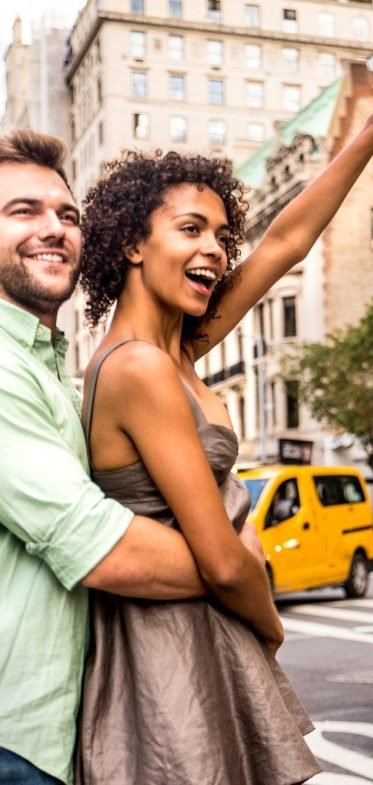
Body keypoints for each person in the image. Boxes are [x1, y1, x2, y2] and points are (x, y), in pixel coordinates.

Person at [73, 27, 373, 785]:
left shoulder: (177, 349)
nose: (216, 251)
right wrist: (269, 625)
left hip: (197, 640)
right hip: (171, 654)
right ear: (132, 244)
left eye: (222, 235)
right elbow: (221, 557)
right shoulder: (139, 368)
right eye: (191, 229)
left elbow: (286, 242)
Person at [0, 130, 270, 785]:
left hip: (58, 731)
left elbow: (276, 255)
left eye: (67, 214)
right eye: (22, 212)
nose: (55, 228)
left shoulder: (61, 374)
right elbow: (102, 547)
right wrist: (246, 580)